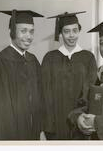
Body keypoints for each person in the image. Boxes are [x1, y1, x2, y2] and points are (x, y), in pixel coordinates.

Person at [0, 9, 44, 140]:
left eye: (31, 31)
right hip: (8, 135)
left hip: (32, 133)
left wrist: (40, 130)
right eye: (23, 31)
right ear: (11, 32)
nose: (29, 36)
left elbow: (39, 100)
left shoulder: (33, 61)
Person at [41, 11, 97, 140]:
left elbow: (91, 90)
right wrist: (47, 126)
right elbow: (45, 94)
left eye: (75, 30)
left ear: (79, 31)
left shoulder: (88, 58)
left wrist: (84, 119)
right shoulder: (50, 58)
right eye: (66, 31)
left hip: (80, 122)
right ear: (60, 34)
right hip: (55, 123)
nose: (71, 35)